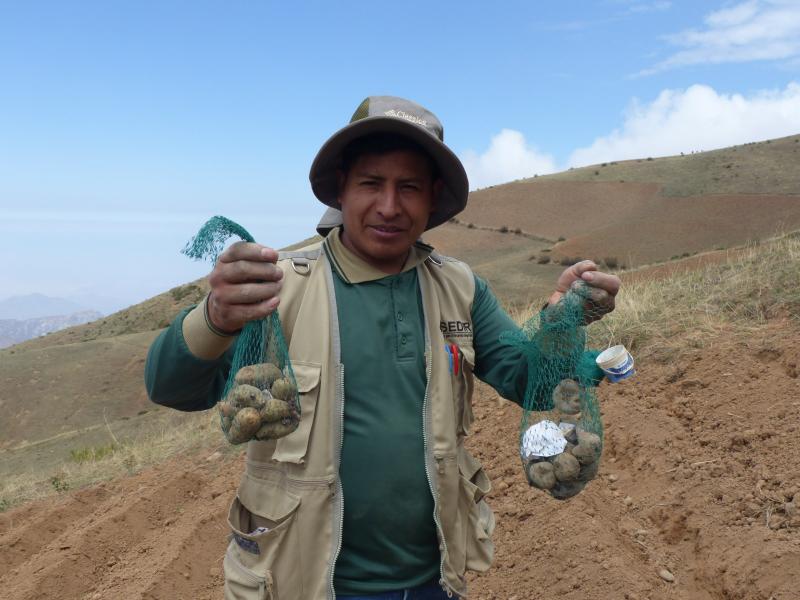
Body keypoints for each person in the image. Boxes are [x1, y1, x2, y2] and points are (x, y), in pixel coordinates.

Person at [145, 96, 621, 600]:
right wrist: (215, 318)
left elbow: (525, 378)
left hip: (433, 581)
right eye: (371, 184)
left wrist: (562, 321)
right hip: (300, 584)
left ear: (432, 197)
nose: (390, 206)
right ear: (341, 190)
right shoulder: (276, 286)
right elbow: (172, 387)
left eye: (409, 187)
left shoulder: (459, 287)